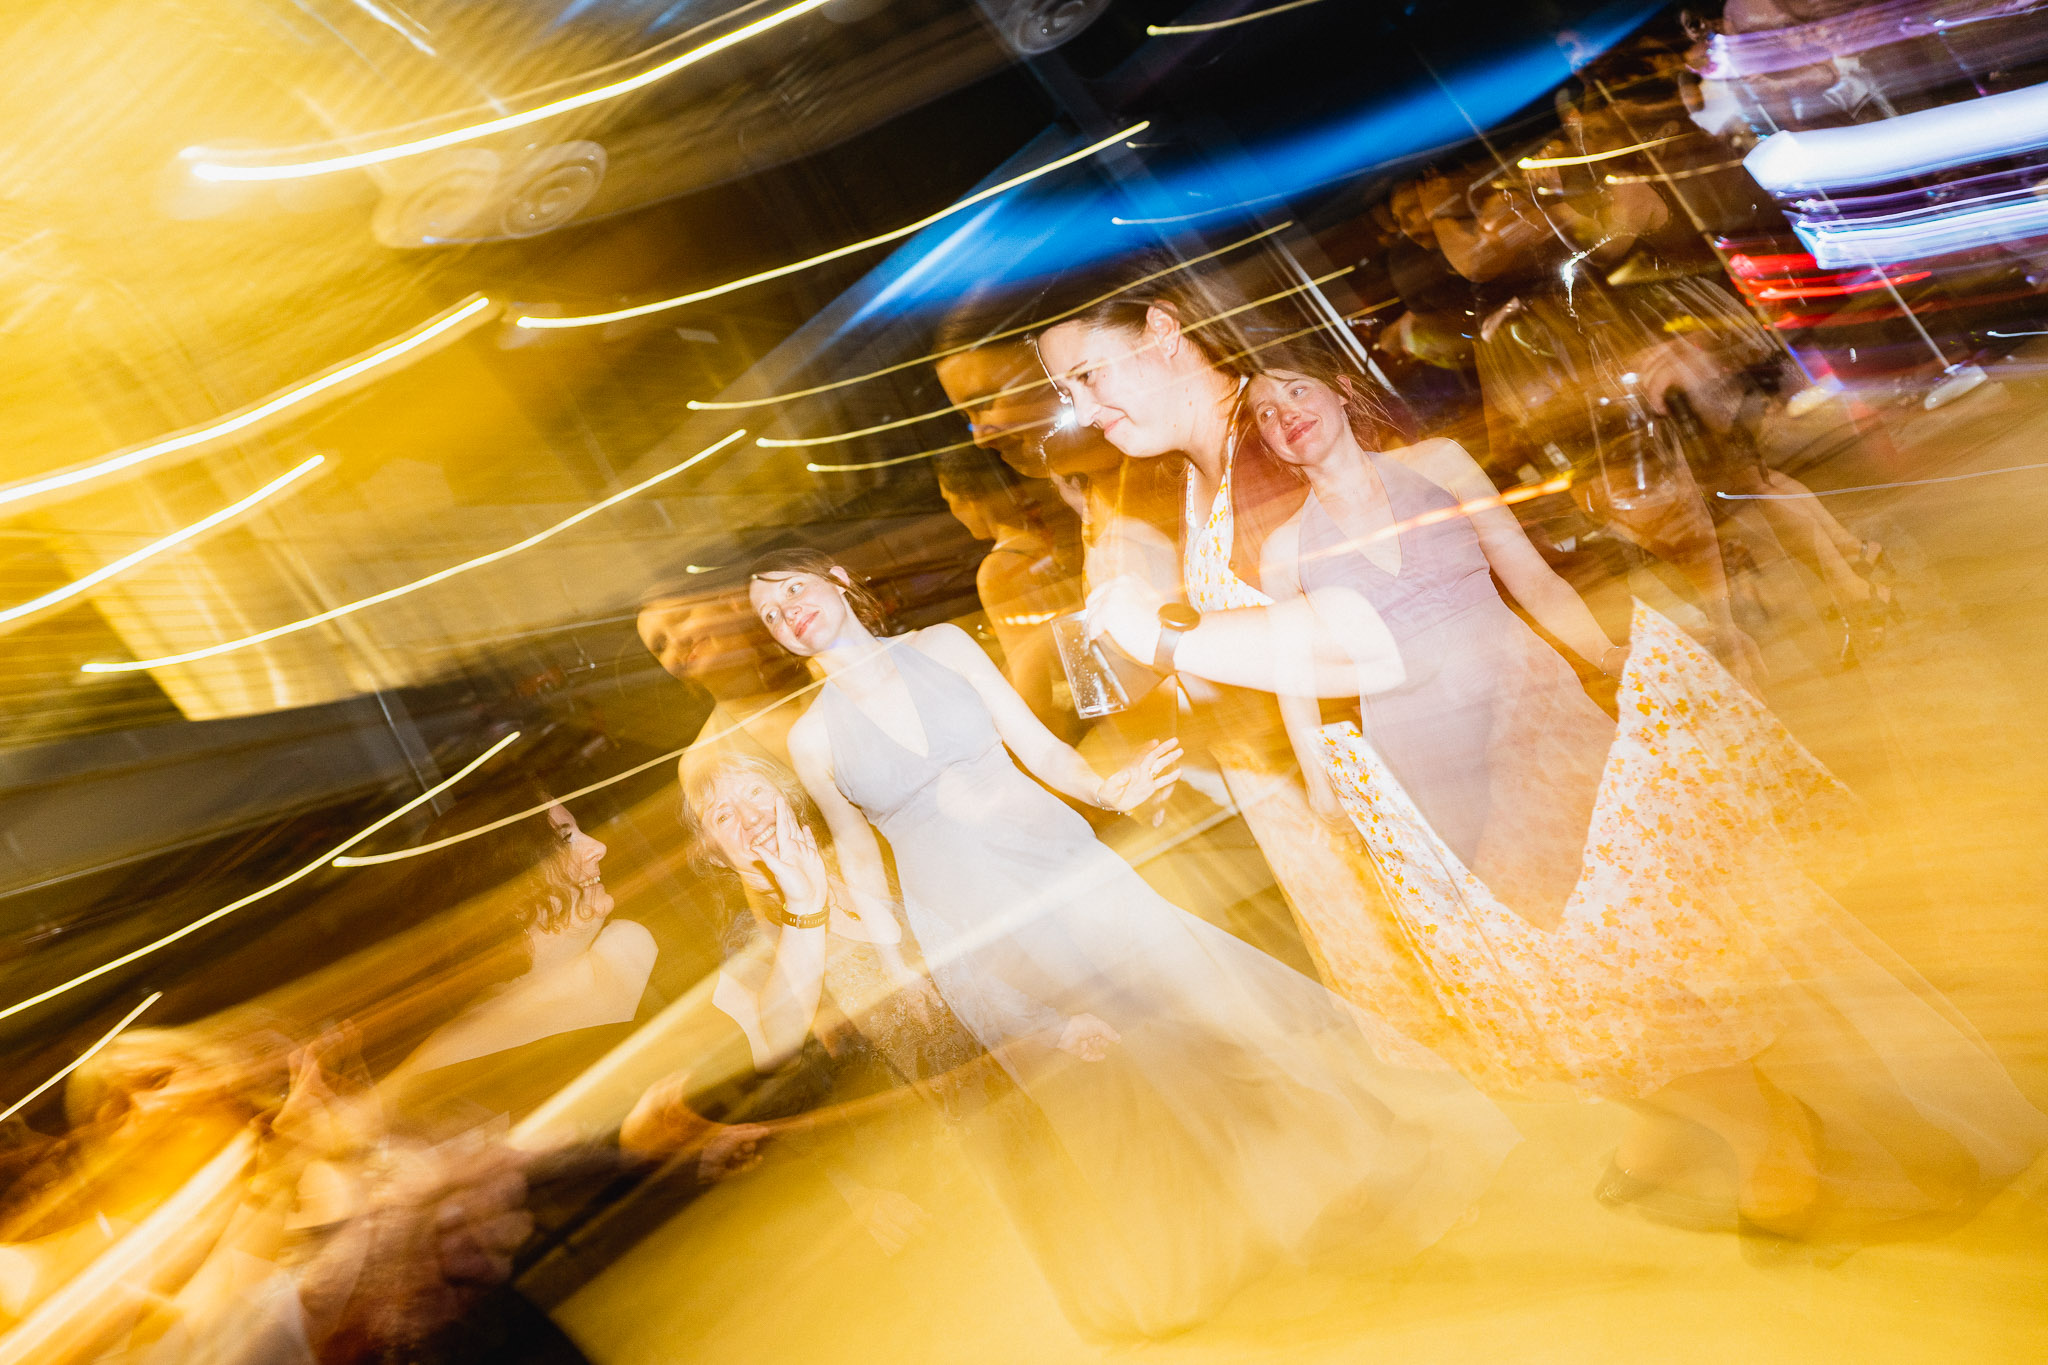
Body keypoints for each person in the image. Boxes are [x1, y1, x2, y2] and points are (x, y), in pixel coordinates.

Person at [1079, 339, 2048, 1243]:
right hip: (1426, 766)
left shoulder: (1439, 466)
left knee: (1630, 948)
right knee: (1547, 983)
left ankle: (1769, 1128)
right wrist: (1330, 791)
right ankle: (1685, 1114)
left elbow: (1533, 583)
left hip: (1536, 731)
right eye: (1267, 407)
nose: (1285, 410)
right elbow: (1303, 674)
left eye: (1298, 387)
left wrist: (1603, 660)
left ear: (1338, 392)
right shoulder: (1287, 546)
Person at [744, 546, 1517, 1338]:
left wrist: (1106, 789)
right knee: (1115, 1087)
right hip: (970, 924)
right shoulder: (812, 737)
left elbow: (1039, 748)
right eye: (769, 614)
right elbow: (860, 851)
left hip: (1066, 870)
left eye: (793, 587)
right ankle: (1241, 1246)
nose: (786, 611)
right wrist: (899, 962)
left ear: (839, 580)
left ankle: (1376, 1181)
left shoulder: (941, 646)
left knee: (1207, 1020)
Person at [382, 778, 658, 1130]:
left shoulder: (634, 945)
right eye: (565, 839)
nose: (598, 846)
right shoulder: (452, 1061)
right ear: (508, 891)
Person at [933, 449, 1083, 737]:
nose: (952, 511)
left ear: (969, 500)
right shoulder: (1048, 539)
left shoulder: (998, 570)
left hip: (1084, 717)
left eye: (949, 500)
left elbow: (1033, 686)